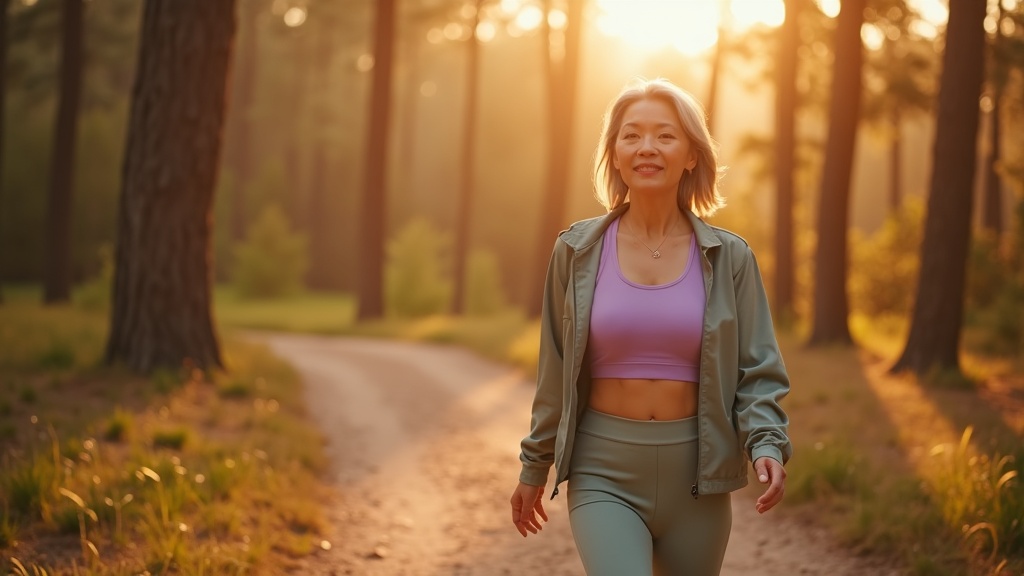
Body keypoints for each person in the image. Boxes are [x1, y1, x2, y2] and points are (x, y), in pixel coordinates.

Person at [508, 77, 792, 576]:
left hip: (698, 480)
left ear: (690, 154)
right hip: (604, 472)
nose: (647, 148)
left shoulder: (731, 258)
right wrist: (536, 464)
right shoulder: (576, 252)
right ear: (614, 154)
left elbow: (758, 368)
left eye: (665, 135)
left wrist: (766, 441)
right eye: (631, 135)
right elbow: (553, 370)